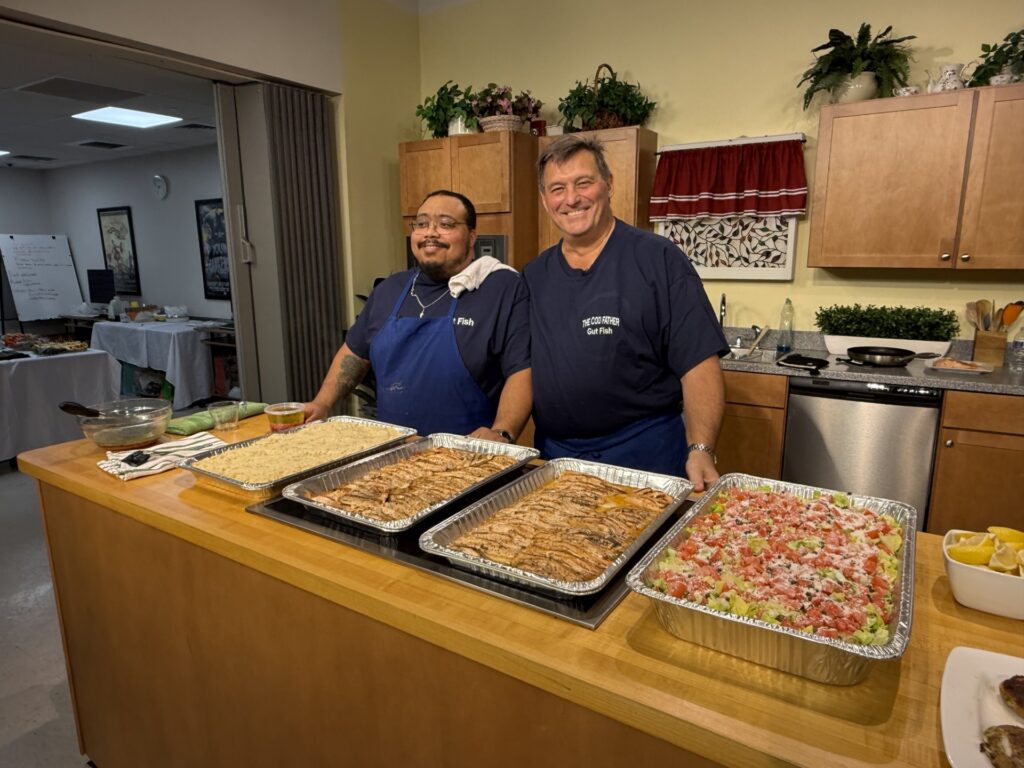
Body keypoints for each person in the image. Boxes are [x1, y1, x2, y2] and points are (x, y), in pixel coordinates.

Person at [523, 135, 728, 490]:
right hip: (557, 458)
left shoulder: (659, 260)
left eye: (583, 183)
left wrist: (700, 448)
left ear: (608, 185)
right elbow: (518, 369)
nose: (571, 199)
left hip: (644, 455)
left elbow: (698, 364)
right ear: (545, 200)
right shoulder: (533, 276)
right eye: (557, 189)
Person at [305, 189, 531, 444]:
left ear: (471, 236)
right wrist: (322, 403)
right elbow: (355, 353)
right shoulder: (389, 290)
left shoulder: (500, 288)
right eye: (422, 223)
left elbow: (522, 369)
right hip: (392, 452)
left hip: (469, 457)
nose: (431, 233)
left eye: (446, 224)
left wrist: (502, 431)